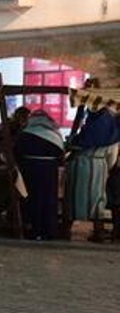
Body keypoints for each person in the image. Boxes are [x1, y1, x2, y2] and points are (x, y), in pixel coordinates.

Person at [66, 98, 119, 242]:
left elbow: (74, 144)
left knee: (73, 198)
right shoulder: (113, 131)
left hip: (79, 164)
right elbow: (112, 157)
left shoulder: (88, 130)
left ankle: (66, 229)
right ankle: (99, 231)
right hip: (99, 166)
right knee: (97, 199)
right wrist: (106, 167)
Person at [14, 109, 65, 241]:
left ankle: (34, 229)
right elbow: (61, 155)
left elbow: (17, 152)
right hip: (50, 171)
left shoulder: (25, 133)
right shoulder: (55, 134)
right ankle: (49, 230)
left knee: (33, 199)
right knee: (49, 200)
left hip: (30, 169)